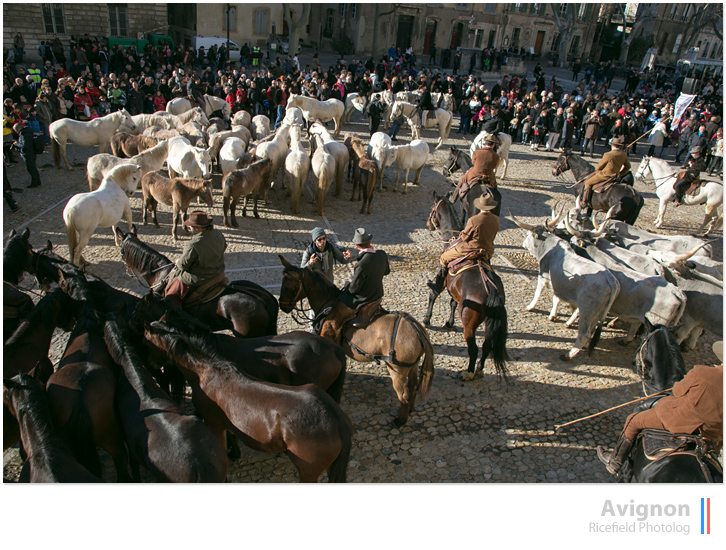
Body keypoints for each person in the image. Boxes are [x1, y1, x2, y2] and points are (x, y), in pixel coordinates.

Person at [597, 342, 723, 475]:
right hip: (711, 436)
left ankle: (614, 462)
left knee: (634, 420)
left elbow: (678, 391)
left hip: (679, 421)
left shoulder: (702, 372)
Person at [320, 228, 390, 343]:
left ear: (357, 246)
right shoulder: (382, 254)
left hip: (364, 299)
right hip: (377, 294)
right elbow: (386, 271)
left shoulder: (361, 265)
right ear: (370, 242)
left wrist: (348, 284)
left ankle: (331, 340)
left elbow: (354, 289)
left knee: (333, 317)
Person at [427, 192, 499, 297]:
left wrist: (463, 233)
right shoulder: (496, 219)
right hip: (487, 250)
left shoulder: (474, 220)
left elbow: (465, 237)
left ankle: (437, 287)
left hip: (469, 248)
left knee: (444, 257)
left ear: (479, 206)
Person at [165, 211, 227, 309]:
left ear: (197, 228)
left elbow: (183, 266)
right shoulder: (218, 233)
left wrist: (178, 261)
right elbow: (224, 247)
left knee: (170, 297)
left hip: (200, 277)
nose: (189, 228)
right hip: (218, 271)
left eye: (191, 226)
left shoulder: (193, 244)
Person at [580, 136, 630, 215]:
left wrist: (598, 170)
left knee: (587, 183)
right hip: (615, 176)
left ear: (612, 145)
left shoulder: (608, 154)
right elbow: (628, 166)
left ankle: (584, 202)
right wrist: (621, 174)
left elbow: (599, 166)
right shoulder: (623, 154)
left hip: (605, 175)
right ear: (619, 146)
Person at [12, 123, 41, 189]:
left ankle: (35, 182)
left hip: (28, 154)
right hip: (32, 152)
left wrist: (17, 144)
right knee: (32, 167)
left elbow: (25, 146)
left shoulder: (24, 135)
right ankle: (37, 181)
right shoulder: (28, 132)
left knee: (31, 168)